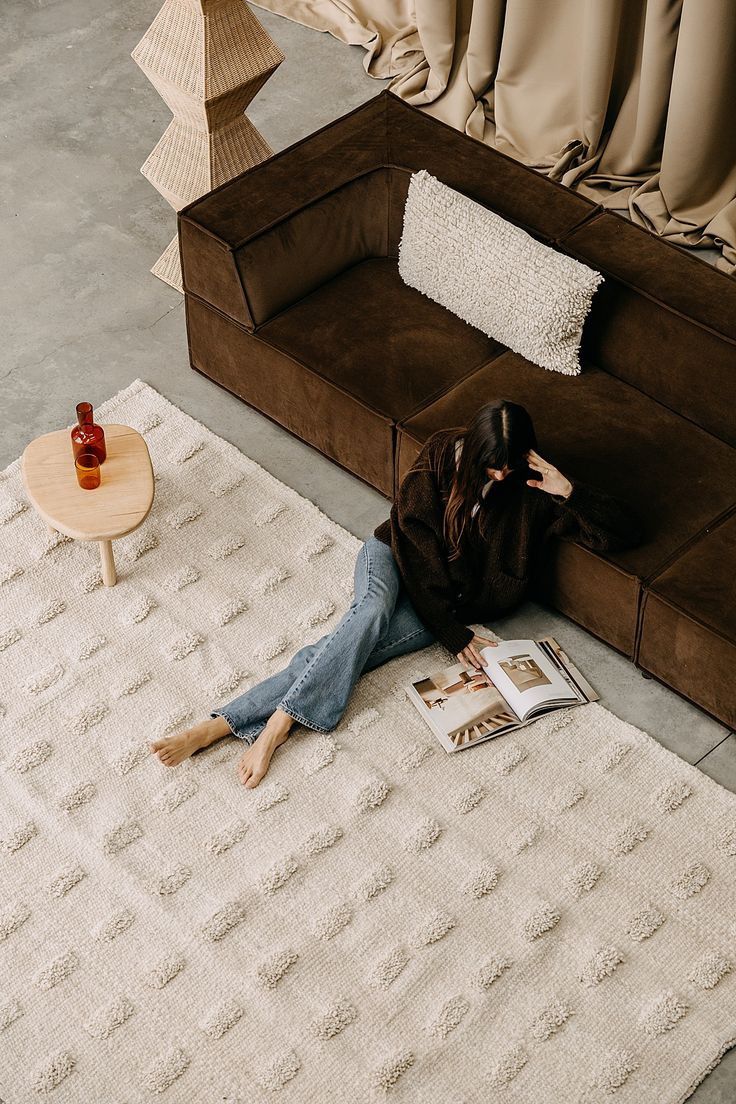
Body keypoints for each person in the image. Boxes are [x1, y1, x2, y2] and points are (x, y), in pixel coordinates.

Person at [149, 399, 643, 787]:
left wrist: (568, 491)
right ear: (473, 450)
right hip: (392, 559)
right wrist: (450, 632)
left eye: (507, 468)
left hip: (440, 602)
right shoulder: (441, 454)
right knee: (369, 614)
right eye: (491, 466)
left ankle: (218, 725)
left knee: (350, 649)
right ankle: (278, 726)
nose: (498, 476)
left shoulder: (530, 488)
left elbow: (626, 532)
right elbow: (412, 540)